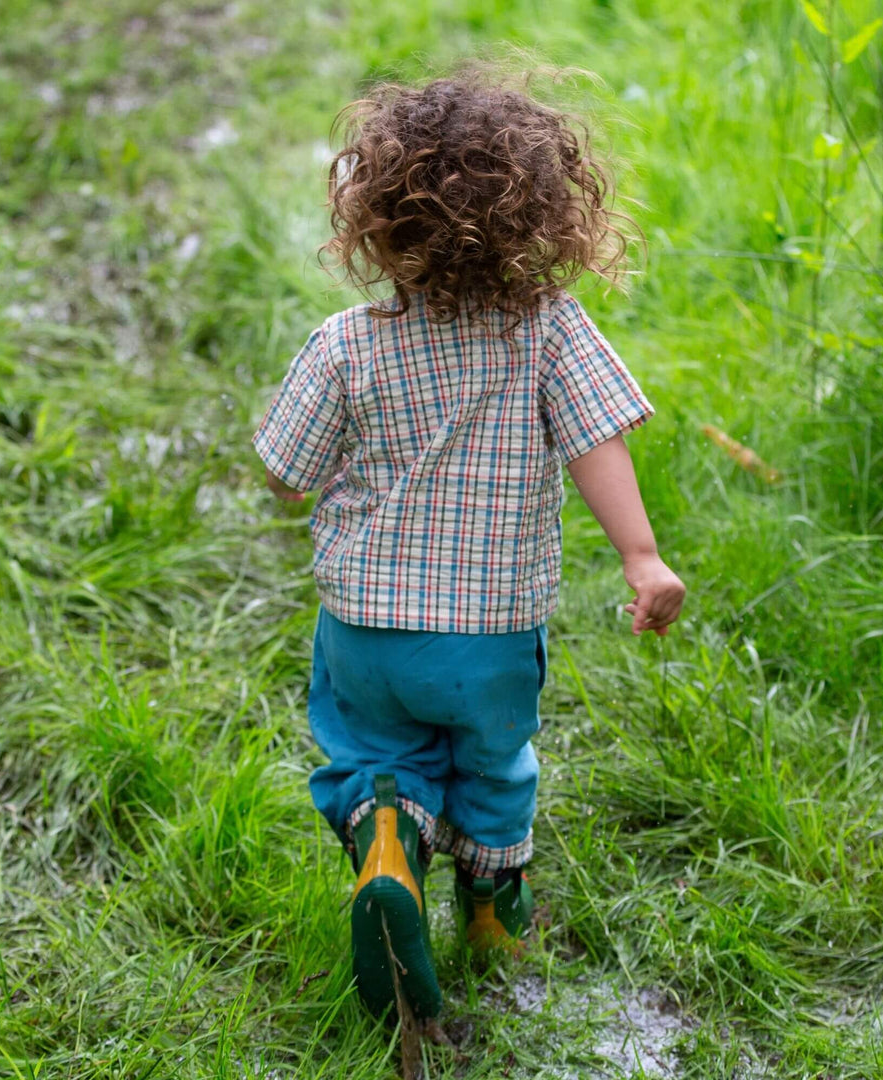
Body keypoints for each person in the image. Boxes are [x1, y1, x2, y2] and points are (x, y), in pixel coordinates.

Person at [252, 71, 686, 1024]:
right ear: (541, 216)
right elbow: (595, 440)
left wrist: (317, 469)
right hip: (488, 634)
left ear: (373, 223)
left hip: (365, 629)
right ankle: (492, 917)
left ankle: (385, 852)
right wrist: (642, 556)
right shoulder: (548, 330)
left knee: (372, 754)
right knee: (494, 769)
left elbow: (287, 474)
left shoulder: (344, 345)